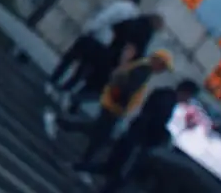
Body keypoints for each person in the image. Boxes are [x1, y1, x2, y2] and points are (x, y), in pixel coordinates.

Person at [45, 49, 175, 174]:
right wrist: (122, 103)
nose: (162, 70)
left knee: (100, 135)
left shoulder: (142, 66)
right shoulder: (144, 70)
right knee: (99, 132)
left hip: (114, 104)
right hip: (115, 106)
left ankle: (83, 163)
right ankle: (61, 125)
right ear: (157, 61)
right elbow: (128, 88)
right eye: (163, 66)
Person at [89, 79, 201, 193]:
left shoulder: (162, 94)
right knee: (122, 174)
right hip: (140, 141)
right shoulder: (168, 102)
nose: (187, 100)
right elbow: (156, 123)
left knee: (114, 167)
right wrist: (163, 136)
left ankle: (85, 169)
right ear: (185, 92)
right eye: (188, 97)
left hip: (135, 133)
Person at [65, 12, 165, 115]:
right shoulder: (145, 31)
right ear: (155, 23)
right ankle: (75, 99)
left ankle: (74, 104)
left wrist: (116, 44)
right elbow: (131, 48)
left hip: (108, 54)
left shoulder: (134, 21)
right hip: (116, 62)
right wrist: (122, 66)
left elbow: (116, 28)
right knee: (102, 89)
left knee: (93, 83)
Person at [47, 0, 141, 99]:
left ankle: (52, 81)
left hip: (96, 36)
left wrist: (90, 28)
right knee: (83, 69)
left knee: (70, 58)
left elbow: (104, 17)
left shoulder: (120, 6)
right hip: (105, 46)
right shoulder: (135, 18)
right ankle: (64, 90)